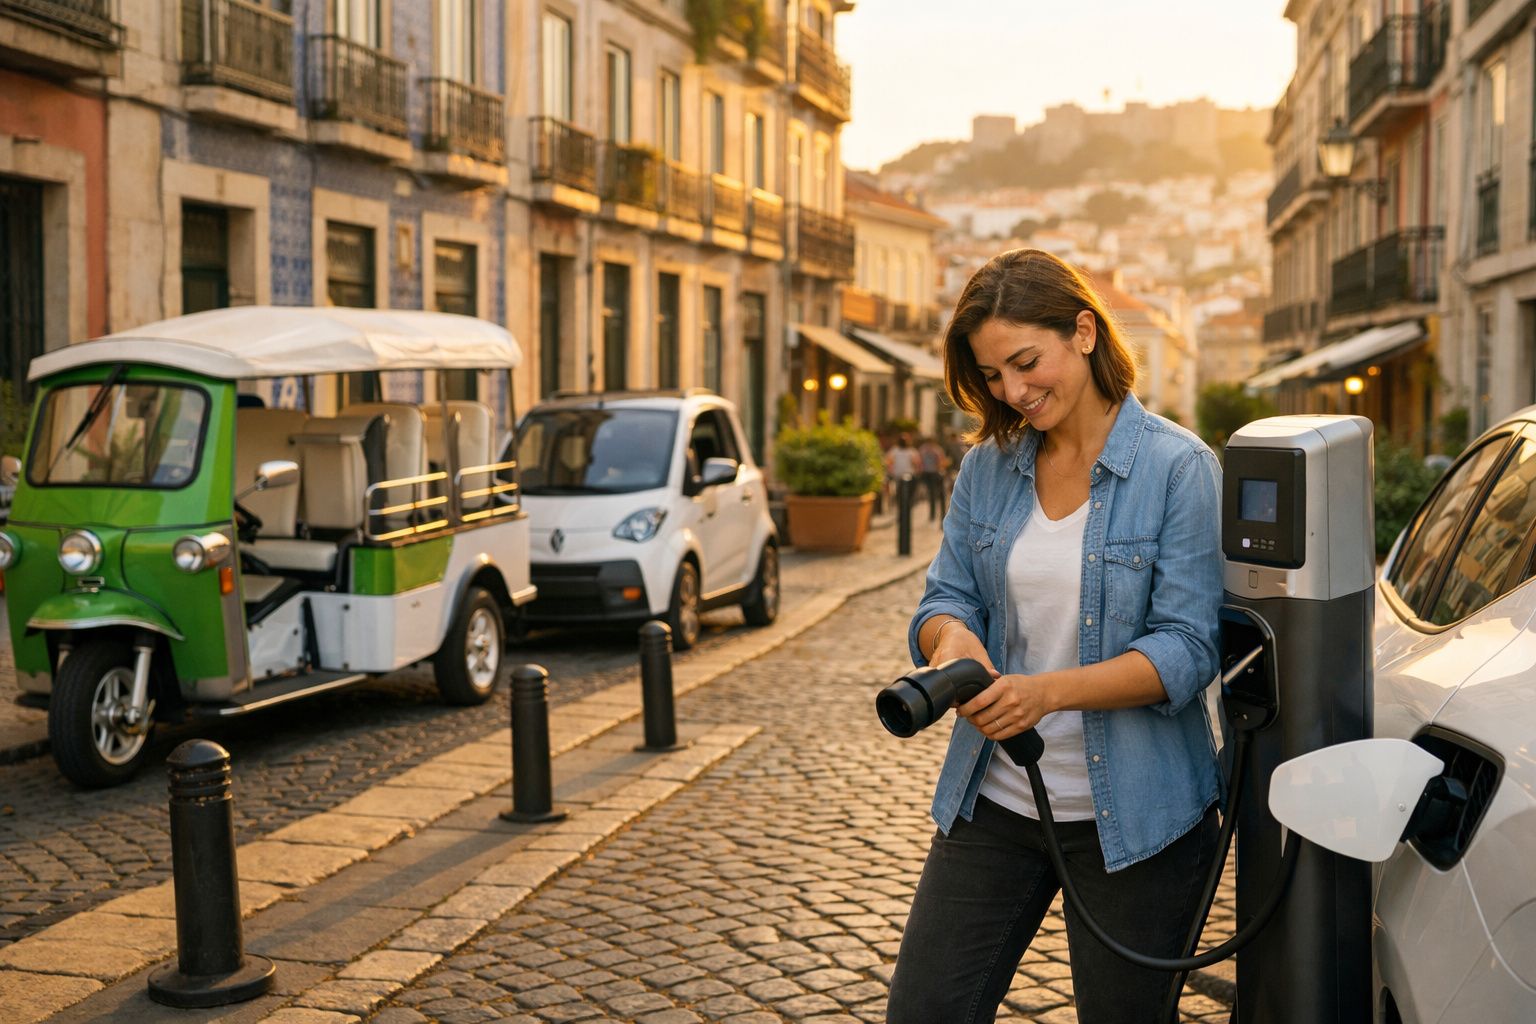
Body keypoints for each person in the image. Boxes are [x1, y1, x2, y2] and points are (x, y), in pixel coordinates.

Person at [887, 248, 1224, 1024]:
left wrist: (1046, 694)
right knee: (924, 1010)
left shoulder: (1178, 469)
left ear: (1083, 331)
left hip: (1138, 819)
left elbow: (1187, 648)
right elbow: (945, 599)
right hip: (996, 802)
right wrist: (951, 644)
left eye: (1025, 362)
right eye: (993, 375)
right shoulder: (989, 469)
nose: (1012, 390)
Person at [916, 435, 949, 521]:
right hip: (932, 473)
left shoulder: (923, 449)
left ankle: (933, 514)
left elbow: (919, 461)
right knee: (933, 494)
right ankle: (934, 514)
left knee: (932, 494)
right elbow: (942, 461)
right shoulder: (937, 449)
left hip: (930, 473)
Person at [886, 432, 921, 506]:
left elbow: (917, 463)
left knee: (912, 490)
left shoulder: (911, 451)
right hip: (898, 476)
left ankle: (911, 500)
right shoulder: (895, 450)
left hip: (908, 475)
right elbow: (889, 462)